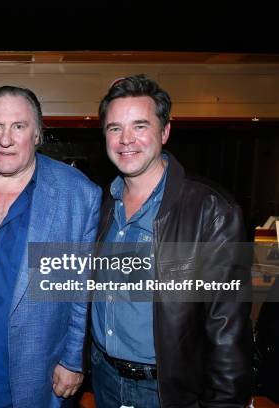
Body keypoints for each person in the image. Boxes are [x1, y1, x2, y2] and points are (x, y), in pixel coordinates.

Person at [90, 74, 252, 407]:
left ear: (165, 131)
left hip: (165, 391)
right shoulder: (103, 204)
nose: (125, 140)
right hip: (103, 379)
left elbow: (227, 329)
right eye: (114, 128)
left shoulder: (210, 209)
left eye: (140, 126)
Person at [0, 86, 101, 407]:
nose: (6, 138)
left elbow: (81, 288)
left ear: (38, 133)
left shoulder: (78, 194)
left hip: (39, 373)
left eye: (19, 126)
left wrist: (73, 359)